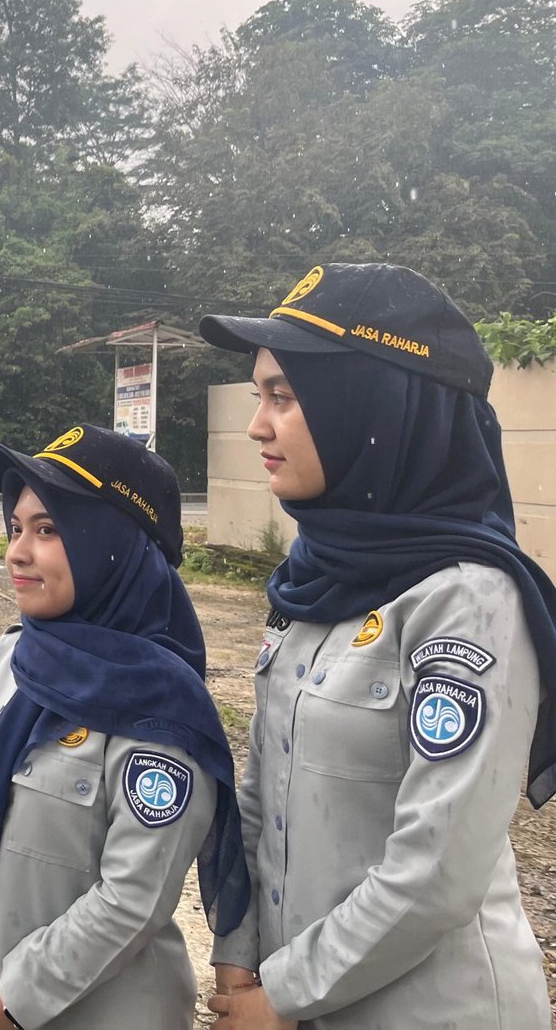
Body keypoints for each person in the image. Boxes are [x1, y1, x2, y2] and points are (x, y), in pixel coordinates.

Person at [198, 262, 556, 1030]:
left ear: (377, 408)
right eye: (258, 394)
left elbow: (438, 870)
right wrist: (238, 944)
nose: (256, 425)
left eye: (283, 397)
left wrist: (283, 995)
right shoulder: (312, 576)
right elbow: (261, 789)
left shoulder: (466, 600)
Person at [0, 425, 248, 1030]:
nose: (15, 551)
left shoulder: (160, 706)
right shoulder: (15, 659)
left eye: (48, 530)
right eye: (16, 527)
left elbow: (133, 900)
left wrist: (10, 1001)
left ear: (113, 544)